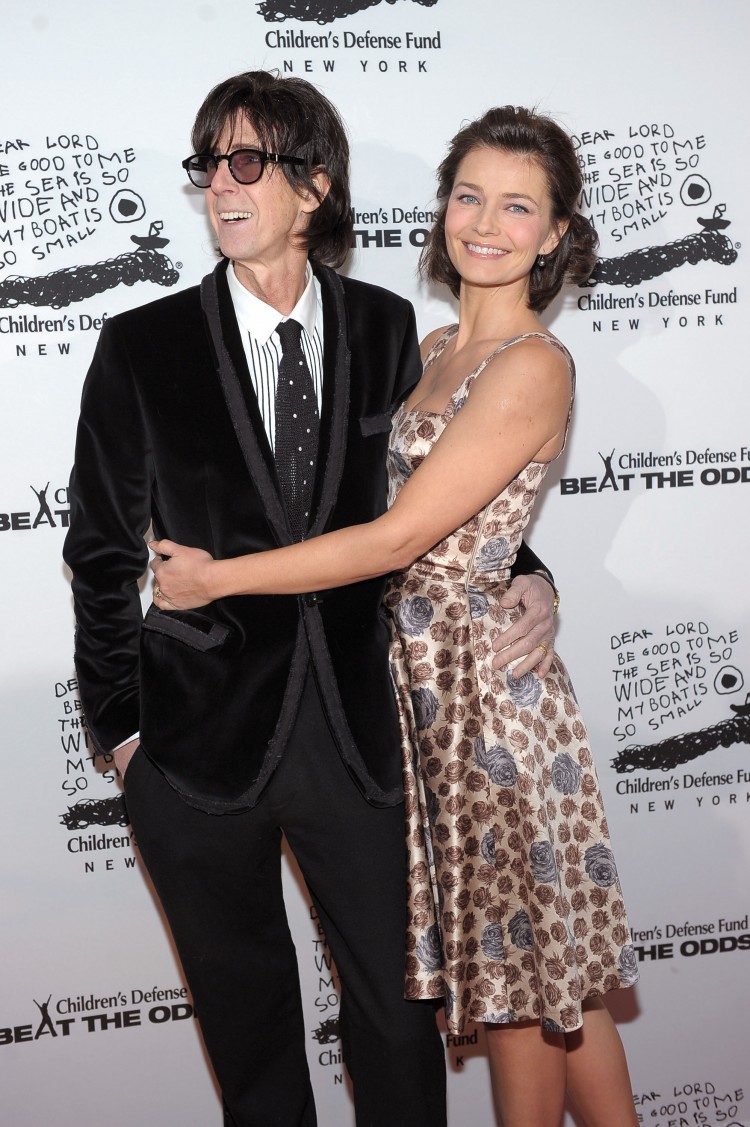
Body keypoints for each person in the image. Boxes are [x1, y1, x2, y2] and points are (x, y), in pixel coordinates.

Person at [63, 73, 558, 1127]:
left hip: (362, 737)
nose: (223, 187)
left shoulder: (390, 332)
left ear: (313, 184)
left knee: (394, 1021)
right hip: (192, 753)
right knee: (250, 1037)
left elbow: (443, 499)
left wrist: (531, 572)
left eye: (249, 162)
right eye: (210, 164)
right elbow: (101, 553)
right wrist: (123, 736)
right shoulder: (141, 345)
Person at [150, 105, 641, 1127]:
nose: (487, 224)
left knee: (514, 995)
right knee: (564, 993)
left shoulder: (534, 365)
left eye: (519, 207)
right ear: (444, 208)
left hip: (488, 710)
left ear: (555, 235)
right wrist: (531, 569)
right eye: (470, 196)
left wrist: (219, 578)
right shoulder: (432, 344)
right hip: (422, 696)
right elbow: (443, 512)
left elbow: (393, 540)